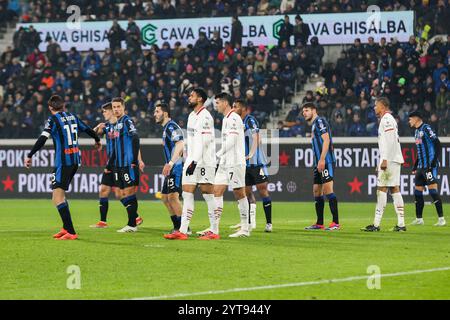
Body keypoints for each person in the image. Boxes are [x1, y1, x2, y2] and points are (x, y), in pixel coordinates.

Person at [25, 95, 102, 240]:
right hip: (75, 160)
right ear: (63, 106)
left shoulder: (53, 120)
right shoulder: (72, 116)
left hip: (63, 162)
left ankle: (71, 231)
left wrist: (30, 155)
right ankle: (66, 227)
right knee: (58, 195)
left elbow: (43, 138)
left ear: (50, 107)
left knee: (57, 196)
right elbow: (87, 129)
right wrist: (97, 139)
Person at [164, 88, 216, 240]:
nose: (189, 98)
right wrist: (187, 157)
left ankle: (214, 230)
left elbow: (204, 142)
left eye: (192, 96)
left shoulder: (205, 117)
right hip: (191, 161)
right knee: (186, 194)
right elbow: (191, 140)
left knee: (208, 195)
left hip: (205, 162)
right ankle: (183, 230)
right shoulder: (192, 116)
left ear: (200, 99)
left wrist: (194, 161)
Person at [199, 93, 250, 239]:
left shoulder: (234, 117)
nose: (216, 106)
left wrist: (218, 153)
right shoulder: (226, 118)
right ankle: (214, 229)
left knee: (239, 193)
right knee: (216, 191)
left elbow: (233, 139)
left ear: (225, 102)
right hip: (225, 162)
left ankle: (245, 228)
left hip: (235, 161)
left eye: (218, 103)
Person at [90, 102, 144, 228]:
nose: (103, 113)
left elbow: (134, 142)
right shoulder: (108, 126)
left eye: (105, 111)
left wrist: (139, 160)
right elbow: (92, 133)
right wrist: (97, 133)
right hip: (112, 163)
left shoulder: (123, 123)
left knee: (121, 193)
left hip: (121, 164)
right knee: (105, 190)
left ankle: (134, 219)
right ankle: (104, 221)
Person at [361, 97, 406, 232]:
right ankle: (401, 224)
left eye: (376, 105)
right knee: (394, 189)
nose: (374, 107)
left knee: (381, 190)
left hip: (390, 159)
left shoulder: (386, 120)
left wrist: (385, 159)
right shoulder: (388, 120)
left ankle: (376, 224)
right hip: (393, 159)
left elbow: (390, 141)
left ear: (383, 106)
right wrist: (382, 159)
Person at [234, 99, 273, 232]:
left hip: (256, 162)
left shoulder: (250, 120)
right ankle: (251, 222)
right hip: (244, 164)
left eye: (236, 106)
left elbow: (257, 137)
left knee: (262, 190)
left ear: (244, 108)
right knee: (247, 193)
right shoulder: (237, 122)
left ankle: (269, 223)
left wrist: (251, 153)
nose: (234, 108)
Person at [302, 102, 340, 231]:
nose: (304, 113)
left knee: (328, 190)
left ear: (314, 110)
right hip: (318, 162)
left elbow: (326, 139)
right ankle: (319, 223)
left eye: (307, 110)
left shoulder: (319, 121)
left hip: (326, 161)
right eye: (303, 111)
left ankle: (335, 223)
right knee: (316, 191)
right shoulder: (314, 125)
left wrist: (323, 159)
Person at [107, 97, 142, 233]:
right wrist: (111, 164)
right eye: (114, 107)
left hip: (128, 164)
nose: (116, 109)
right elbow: (116, 147)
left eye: (118, 107)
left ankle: (132, 224)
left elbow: (135, 138)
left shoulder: (127, 121)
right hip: (118, 165)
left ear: (123, 107)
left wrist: (134, 160)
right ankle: (134, 220)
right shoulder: (116, 124)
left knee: (129, 192)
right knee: (121, 193)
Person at [408, 111, 446, 226]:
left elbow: (438, 144)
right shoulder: (416, 132)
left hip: (429, 166)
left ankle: (441, 219)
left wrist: (433, 162)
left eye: (410, 119)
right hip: (421, 167)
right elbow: (420, 151)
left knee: (432, 191)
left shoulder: (426, 128)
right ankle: (419, 219)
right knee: (417, 192)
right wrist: (415, 165)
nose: (409, 121)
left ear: (416, 118)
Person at [154, 103, 186, 235]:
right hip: (172, 167)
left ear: (165, 113)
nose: (154, 114)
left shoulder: (172, 127)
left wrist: (171, 163)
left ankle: (184, 228)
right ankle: (177, 226)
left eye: (157, 111)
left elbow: (180, 144)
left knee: (173, 196)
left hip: (177, 167)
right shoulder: (166, 128)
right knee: (165, 197)